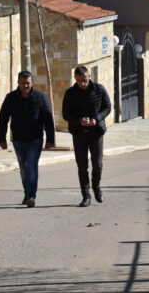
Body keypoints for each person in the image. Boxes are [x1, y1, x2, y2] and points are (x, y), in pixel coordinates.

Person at [0, 71, 55, 207]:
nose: (25, 86)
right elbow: (3, 119)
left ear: (32, 83)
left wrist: (50, 140)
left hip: (35, 139)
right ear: (18, 83)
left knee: (32, 166)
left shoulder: (40, 97)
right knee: (24, 168)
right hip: (18, 139)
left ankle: (31, 196)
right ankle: (27, 192)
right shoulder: (11, 98)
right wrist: (1, 139)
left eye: (28, 83)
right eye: (22, 83)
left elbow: (48, 119)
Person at [62, 66, 111, 208]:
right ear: (75, 79)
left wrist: (97, 119)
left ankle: (96, 187)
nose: (82, 83)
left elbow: (107, 107)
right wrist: (79, 121)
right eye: (79, 81)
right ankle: (86, 196)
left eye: (84, 80)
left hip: (96, 132)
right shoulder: (70, 93)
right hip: (79, 133)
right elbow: (66, 114)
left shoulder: (99, 89)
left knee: (98, 164)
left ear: (89, 76)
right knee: (82, 166)